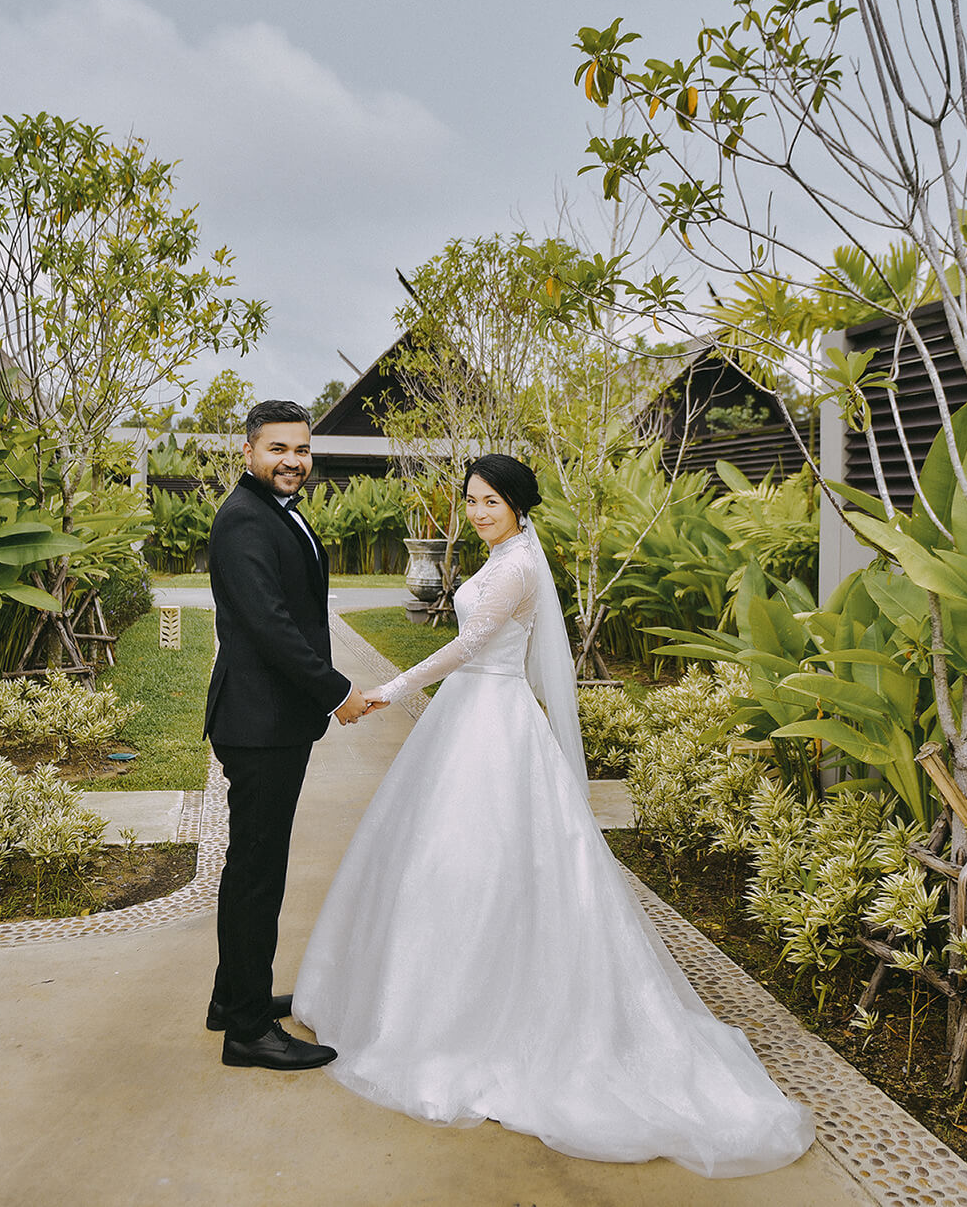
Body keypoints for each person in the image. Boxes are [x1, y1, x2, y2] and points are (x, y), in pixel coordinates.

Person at [297, 454, 814, 1177]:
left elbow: (470, 647)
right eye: (472, 500)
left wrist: (392, 687)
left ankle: (472, 1020)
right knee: (445, 862)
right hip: (472, 718)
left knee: (490, 861)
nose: (478, 512)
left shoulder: (516, 569)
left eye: (491, 502)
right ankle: (422, 998)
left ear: (517, 504)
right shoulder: (505, 555)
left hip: (494, 718)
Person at [203, 400, 367, 1071]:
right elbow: (272, 629)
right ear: (248, 452)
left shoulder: (272, 512)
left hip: (269, 720)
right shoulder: (243, 520)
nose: (293, 460)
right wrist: (338, 693)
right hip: (259, 721)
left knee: (252, 867)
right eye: (277, 448)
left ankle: (232, 996)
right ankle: (247, 1032)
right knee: (257, 874)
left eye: (300, 448)